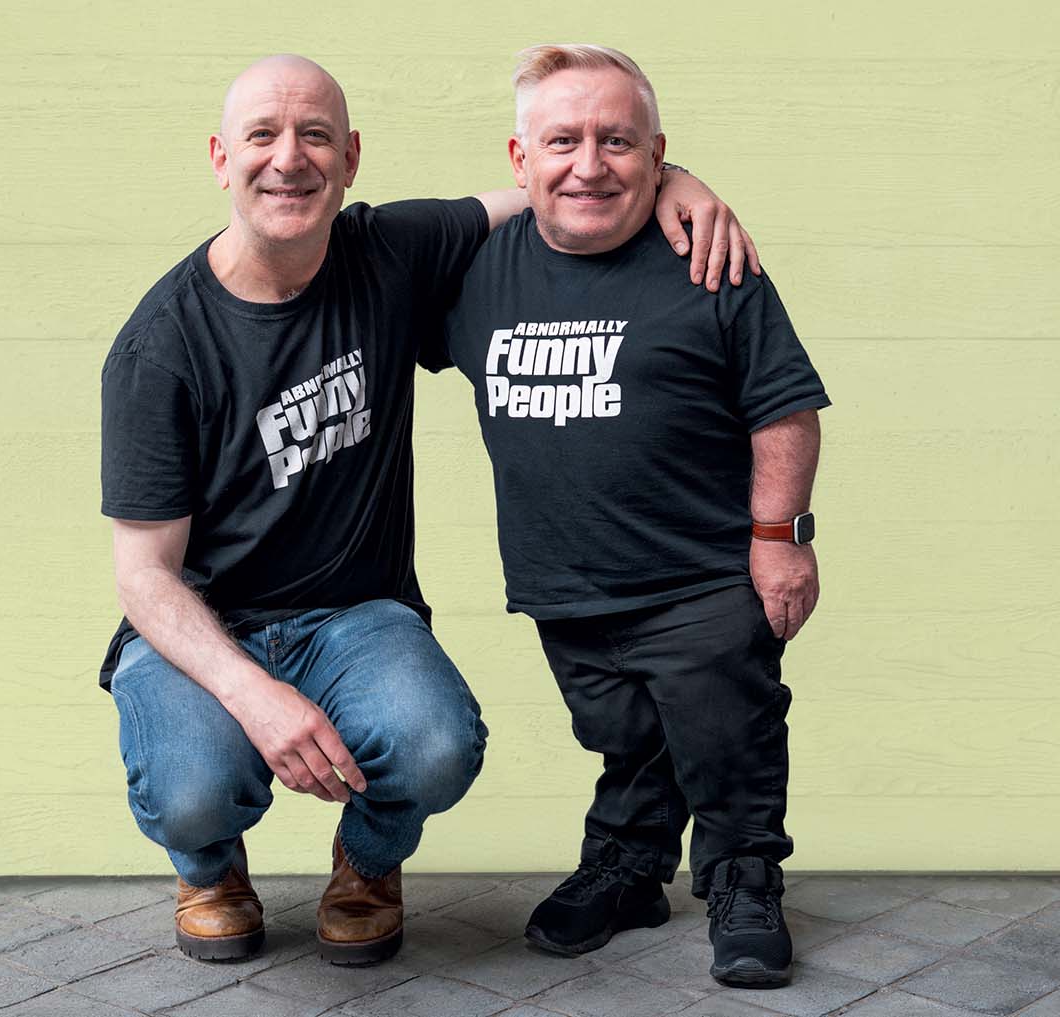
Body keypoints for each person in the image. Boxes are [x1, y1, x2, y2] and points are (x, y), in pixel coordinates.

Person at [98, 53, 759, 967]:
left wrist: (673, 177)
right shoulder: (162, 345)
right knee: (194, 786)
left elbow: (547, 185)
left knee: (437, 743)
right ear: (220, 158)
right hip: (207, 626)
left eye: (315, 136)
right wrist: (256, 696)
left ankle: (365, 864)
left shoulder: (386, 251)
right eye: (262, 136)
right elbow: (143, 576)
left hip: (357, 616)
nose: (289, 159)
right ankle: (208, 868)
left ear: (352, 157)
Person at [424, 45, 829, 988]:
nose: (590, 164)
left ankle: (743, 879)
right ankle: (633, 866)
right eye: (562, 141)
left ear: (656, 153)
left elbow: (785, 406)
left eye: (619, 141)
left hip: (704, 575)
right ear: (519, 163)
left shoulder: (709, 257)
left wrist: (780, 541)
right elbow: (352, 274)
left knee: (725, 732)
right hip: (562, 581)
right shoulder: (471, 272)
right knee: (627, 734)